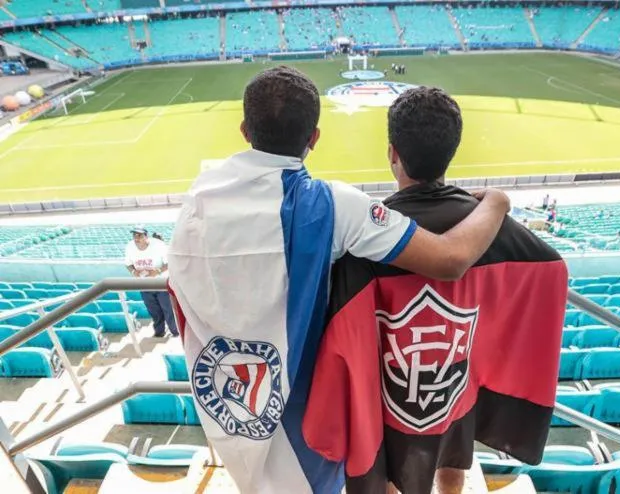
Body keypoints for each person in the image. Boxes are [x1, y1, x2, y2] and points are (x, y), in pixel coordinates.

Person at [167, 67, 511, 494]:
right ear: (314, 137)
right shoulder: (331, 205)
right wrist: (497, 202)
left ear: (244, 130)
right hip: (302, 414)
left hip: (229, 405)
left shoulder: (195, 200)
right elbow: (451, 258)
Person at [303, 87, 567, 494]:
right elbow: (551, 270)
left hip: (389, 392)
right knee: (454, 449)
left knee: (388, 464)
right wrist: (496, 203)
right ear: (452, 152)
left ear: (393, 153)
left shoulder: (370, 239)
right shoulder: (491, 228)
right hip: (455, 377)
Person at [125, 225, 177, 337]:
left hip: (161, 283)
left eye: (139, 235)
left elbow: (170, 263)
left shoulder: (159, 245)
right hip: (144, 285)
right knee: (154, 311)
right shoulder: (130, 247)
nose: (136, 238)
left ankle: (175, 332)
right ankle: (159, 332)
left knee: (168, 310)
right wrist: (134, 272)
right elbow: (128, 264)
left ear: (146, 236)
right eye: (134, 235)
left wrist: (157, 271)